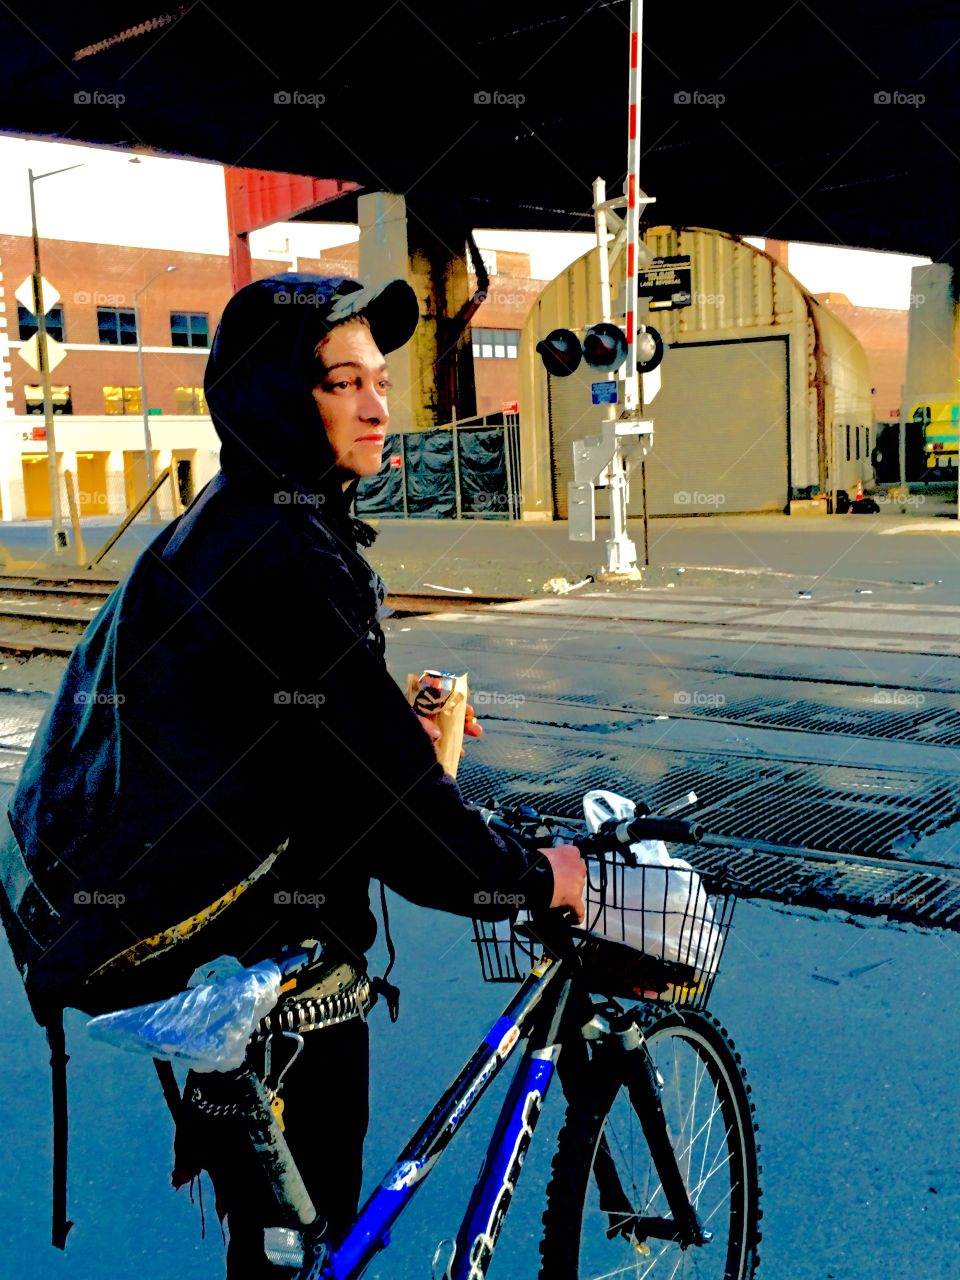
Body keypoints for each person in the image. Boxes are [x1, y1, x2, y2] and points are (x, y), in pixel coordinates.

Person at [4, 272, 585, 1274]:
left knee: (281, 1245)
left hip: (207, 940)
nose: (376, 404)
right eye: (341, 382)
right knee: (302, 1244)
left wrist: (391, 734)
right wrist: (539, 875)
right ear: (281, 396)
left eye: (379, 378)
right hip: (262, 962)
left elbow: (283, 738)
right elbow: (398, 817)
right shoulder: (283, 548)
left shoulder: (242, 518)